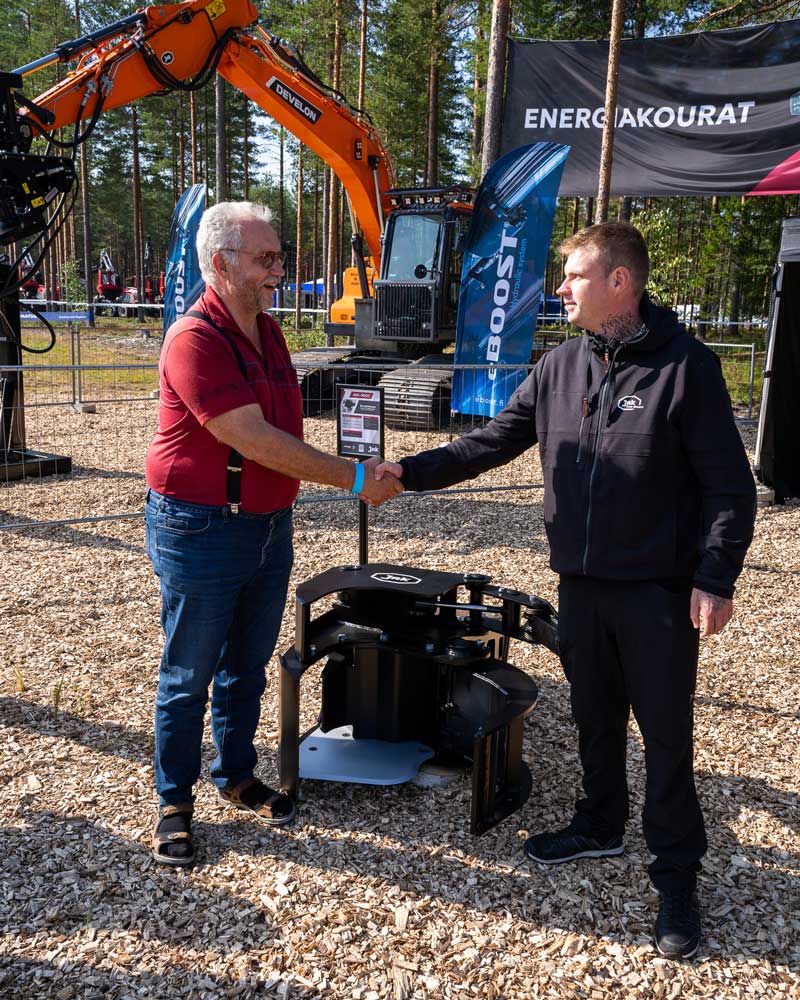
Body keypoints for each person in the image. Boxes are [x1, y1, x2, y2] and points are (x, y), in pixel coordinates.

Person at [372, 222, 756, 959]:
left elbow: (729, 488)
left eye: (573, 275)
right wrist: (406, 474)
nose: (560, 289)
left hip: (657, 593)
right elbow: (489, 442)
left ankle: (676, 874)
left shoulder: (689, 368)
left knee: (668, 738)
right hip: (580, 587)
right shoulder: (559, 367)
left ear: (620, 282)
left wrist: (715, 575)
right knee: (594, 717)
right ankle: (600, 824)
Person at [145, 201, 400, 867]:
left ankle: (234, 774)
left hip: (265, 525)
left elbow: (283, 431)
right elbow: (253, 438)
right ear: (220, 263)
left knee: (247, 665)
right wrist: (353, 478)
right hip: (202, 527)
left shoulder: (269, 331)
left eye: (278, 257)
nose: (279, 268)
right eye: (266, 259)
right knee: (188, 674)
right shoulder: (194, 340)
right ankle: (173, 801)